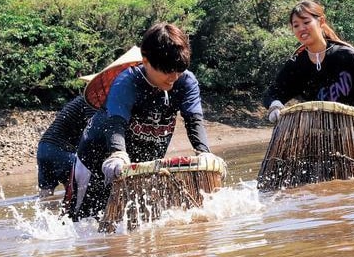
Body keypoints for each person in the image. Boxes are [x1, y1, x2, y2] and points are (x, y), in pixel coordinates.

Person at [67, 23, 219, 220]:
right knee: (82, 221)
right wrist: (118, 154)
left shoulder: (186, 82)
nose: (173, 77)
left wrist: (204, 152)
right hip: (98, 160)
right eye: (167, 70)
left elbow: (194, 120)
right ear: (145, 61)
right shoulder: (127, 82)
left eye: (179, 70)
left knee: (138, 221)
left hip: (143, 163)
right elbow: (116, 123)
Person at [263, 0, 354, 174]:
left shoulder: (347, 55)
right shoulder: (296, 65)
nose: (301, 29)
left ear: (320, 22)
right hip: (320, 143)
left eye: (306, 22)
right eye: (296, 25)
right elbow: (272, 93)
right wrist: (274, 105)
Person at [36, 95, 96, 198]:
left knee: (46, 197)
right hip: (60, 150)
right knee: (76, 193)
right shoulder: (91, 102)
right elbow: (94, 133)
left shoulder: (80, 100)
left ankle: (45, 213)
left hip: (43, 148)